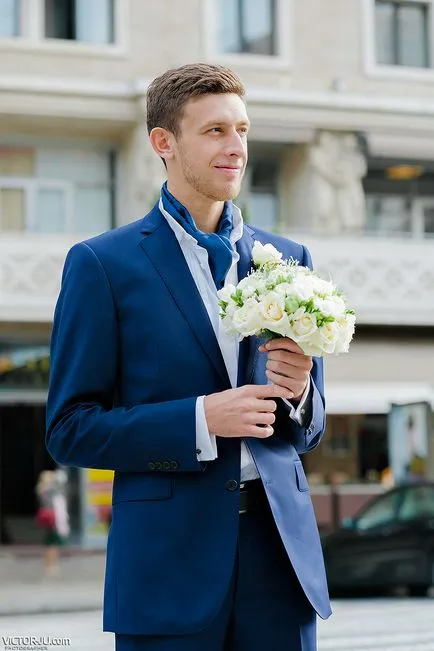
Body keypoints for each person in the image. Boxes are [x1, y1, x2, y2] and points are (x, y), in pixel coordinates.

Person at [46, 63, 331, 651]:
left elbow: (307, 431)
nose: (236, 148)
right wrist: (201, 420)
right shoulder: (103, 264)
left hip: (281, 561)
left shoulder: (289, 256)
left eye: (243, 130)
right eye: (215, 131)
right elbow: (70, 429)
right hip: (167, 567)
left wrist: (301, 394)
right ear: (163, 143)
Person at [35, 469, 70, 577]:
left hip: (48, 516)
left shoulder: (42, 488)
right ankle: (51, 564)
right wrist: (58, 478)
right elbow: (60, 489)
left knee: (50, 541)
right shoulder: (47, 489)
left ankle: (49, 564)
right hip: (52, 517)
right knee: (53, 542)